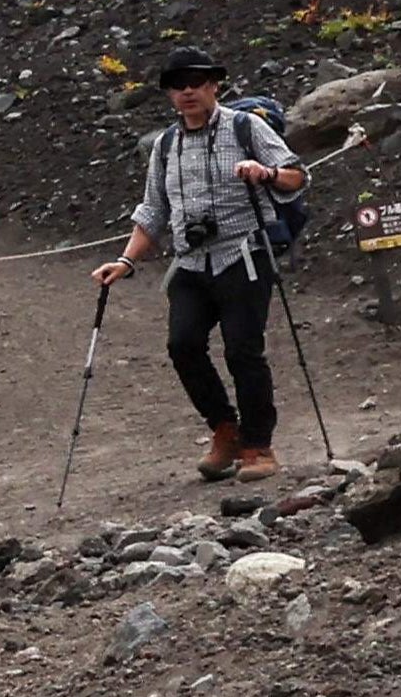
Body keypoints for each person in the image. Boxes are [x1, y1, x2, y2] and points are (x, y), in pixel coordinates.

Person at [105, 44, 302, 480]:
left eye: (197, 82)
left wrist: (265, 173)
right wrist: (125, 261)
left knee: (243, 351)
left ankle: (258, 447)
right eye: (178, 85)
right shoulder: (165, 145)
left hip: (243, 255)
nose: (188, 91)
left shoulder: (246, 127)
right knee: (183, 346)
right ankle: (224, 430)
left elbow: (296, 174)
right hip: (190, 262)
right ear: (169, 94)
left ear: (215, 85)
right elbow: (153, 211)